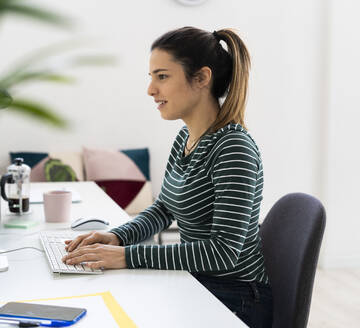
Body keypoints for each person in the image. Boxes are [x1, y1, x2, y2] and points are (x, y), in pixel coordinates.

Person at [62, 26, 273, 327]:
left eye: (162, 77)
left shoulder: (233, 148)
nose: (151, 90)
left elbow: (223, 253)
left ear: (201, 78)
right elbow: (164, 209)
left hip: (237, 297)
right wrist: (118, 237)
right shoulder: (186, 137)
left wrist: (126, 256)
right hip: (200, 282)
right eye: (151, 77)